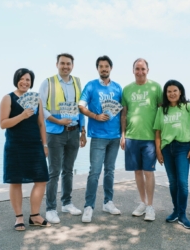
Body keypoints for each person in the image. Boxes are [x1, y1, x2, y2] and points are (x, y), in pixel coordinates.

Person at [0, 68, 51, 231]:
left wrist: (45, 144)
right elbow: (3, 123)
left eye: (28, 80)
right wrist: (22, 115)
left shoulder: (36, 99)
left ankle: (35, 215)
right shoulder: (8, 98)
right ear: (16, 80)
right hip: (15, 146)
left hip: (35, 145)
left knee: (41, 179)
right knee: (15, 181)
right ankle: (19, 217)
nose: (25, 82)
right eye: (22, 79)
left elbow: (41, 123)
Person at [39, 53, 87, 224]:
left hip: (74, 132)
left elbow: (81, 108)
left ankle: (66, 203)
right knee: (54, 172)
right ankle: (51, 208)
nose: (65, 66)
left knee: (68, 170)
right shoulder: (48, 82)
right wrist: (57, 120)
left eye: (68, 64)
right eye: (62, 63)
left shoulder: (77, 82)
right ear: (57, 64)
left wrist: (83, 131)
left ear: (72, 65)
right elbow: (42, 107)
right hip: (55, 132)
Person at [78, 55, 122, 223]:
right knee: (94, 172)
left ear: (110, 68)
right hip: (98, 136)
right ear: (97, 69)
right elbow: (81, 106)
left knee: (110, 171)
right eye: (101, 66)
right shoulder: (91, 86)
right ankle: (88, 207)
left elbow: (122, 111)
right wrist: (95, 116)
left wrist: (123, 134)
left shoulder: (118, 88)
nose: (104, 69)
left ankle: (108, 202)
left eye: (106, 66)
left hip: (115, 136)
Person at [120, 58, 163, 221]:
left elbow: (162, 111)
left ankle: (151, 206)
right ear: (133, 71)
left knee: (148, 171)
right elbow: (124, 114)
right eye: (137, 69)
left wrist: (161, 137)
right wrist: (123, 135)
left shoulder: (155, 87)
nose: (140, 72)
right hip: (131, 137)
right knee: (137, 172)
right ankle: (143, 203)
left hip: (150, 138)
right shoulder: (127, 89)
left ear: (148, 70)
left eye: (143, 69)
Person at [154, 80, 190, 229]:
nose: (172, 94)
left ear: (180, 92)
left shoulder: (188, 107)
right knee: (173, 182)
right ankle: (175, 211)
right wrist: (158, 151)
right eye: (169, 91)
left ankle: (182, 214)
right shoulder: (162, 110)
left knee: (183, 183)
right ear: (165, 94)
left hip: (183, 148)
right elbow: (158, 132)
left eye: (175, 90)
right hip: (167, 149)